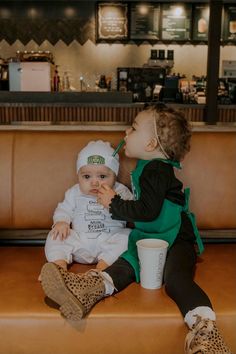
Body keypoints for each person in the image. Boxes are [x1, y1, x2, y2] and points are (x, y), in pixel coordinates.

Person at [41, 104, 231, 354]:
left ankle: (205, 333)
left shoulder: (157, 170)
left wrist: (113, 203)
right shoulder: (144, 168)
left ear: (151, 144)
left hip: (177, 241)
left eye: (133, 128)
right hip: (149, 237)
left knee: (176, 281)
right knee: (124, 266)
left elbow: (147, 211)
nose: (126, 131)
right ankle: (86, 290)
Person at [43, 140, 133, 272]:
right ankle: (58, 267)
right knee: (54, 235)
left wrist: (118, 201)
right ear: (78, 176)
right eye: (86, 176)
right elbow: (64, 209)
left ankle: (102, 267)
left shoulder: (121, 191)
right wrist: (62, 222)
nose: (94, 182)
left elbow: (133, 209)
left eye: (102, 176)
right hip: (80, 242)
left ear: (114, 176)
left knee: (129, 236)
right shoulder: (74, 192)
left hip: (109, 241)